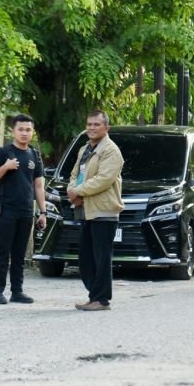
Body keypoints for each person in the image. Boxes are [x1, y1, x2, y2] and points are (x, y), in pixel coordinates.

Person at [0, 113, 47, 305]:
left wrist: (43, 211)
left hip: (26, 210)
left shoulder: (35, 155)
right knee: (3, 251)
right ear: (13, 131)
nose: (24, 133)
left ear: (33, 132)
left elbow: (38, 185)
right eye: (20, 129)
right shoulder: (3, 153)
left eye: (28, 130)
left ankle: (17, 291)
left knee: (20, 254)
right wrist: (5, 167)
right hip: (7, 210)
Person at [67, 110, 124, 311]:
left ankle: (101, 299)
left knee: (101, 257)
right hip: (86, 209)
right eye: (89, 124)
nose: (91, 128)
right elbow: (74, 173)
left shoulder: (111, 150)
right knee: (85, 257)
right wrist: (72, 189)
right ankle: (94, 296)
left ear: (106, 128)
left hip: (104, 211)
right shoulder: (85, 149)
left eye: (96, 124)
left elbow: (104, 179)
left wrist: (78, 192)